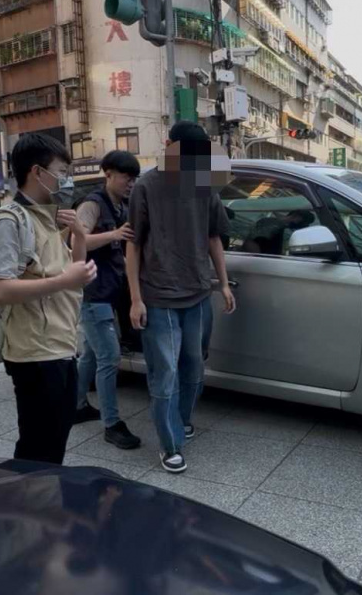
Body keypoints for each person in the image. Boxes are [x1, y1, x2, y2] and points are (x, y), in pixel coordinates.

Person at [126, 121, 236, 473]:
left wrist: (223, 283)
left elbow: (213, 237)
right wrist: (135, 298)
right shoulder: (145, 186)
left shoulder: (205, 184)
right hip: (158, 297)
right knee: (165, 374)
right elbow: (133, 244)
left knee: (194, 369)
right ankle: (169, 444)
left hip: (198, 293)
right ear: (168, 145)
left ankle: (181, 419)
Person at [0, 133, 96, 465]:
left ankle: (41, 494)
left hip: (60, 346)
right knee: (38, 449)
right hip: (35, 354)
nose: (66, 180)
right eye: (62, 171)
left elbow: (72, 273)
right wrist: (64, 280)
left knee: (54, 442)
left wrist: (79, 236)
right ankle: (28, 496)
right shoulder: (8, 221)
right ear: (37, 172)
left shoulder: (46, 219)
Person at [74, 150, 142, 450]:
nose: (131, 183)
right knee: (109, 357)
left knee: (91, 354)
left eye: (134, 178)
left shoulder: (121, 206)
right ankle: (112, 424)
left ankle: (76, 405)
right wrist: (114, 234)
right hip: (93, 294)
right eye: (126, 177)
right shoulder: (92, 204)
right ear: (108, 173)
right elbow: (76, 242)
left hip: (108, 292)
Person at [242, 209, 315, 255]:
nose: (302, 226)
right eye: (304, 223)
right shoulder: (271, 224)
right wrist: (259, 261)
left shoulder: (280, 227)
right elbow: (251, 243)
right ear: (297, 217)